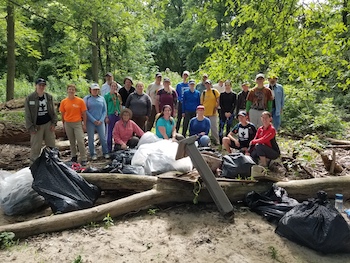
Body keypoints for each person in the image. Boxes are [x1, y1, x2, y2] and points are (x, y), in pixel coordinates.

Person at [25, 78, 57, 163]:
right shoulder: (30, 98)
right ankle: (34, 166)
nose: (41, 87)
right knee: (36, 148)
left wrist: (54, 123)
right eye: (40, 85)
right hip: (36, 126)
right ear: (35, 86)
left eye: (43, 85)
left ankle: (53, 164)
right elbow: (27, 114)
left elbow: (53, 111)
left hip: (48, 124)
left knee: (51, 146)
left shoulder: (49, 97)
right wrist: (31, 127)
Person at [59, 84, 87, 165]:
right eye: (69, 89)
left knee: (80, 140)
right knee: (71, 141)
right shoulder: (64, 102)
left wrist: (84, 124)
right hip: (68, 123)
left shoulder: (80, 101)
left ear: (75, 91)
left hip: (77, 123)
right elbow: (63, 114)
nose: (71, 91)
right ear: (67, 90)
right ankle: (74, 156)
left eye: (73, 89)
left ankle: (83, 158)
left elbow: (84, 113)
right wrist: (64, 124)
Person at [84, 83, 109, 160]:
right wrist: (93, 120)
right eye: (94, 90)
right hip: (90, 121)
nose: (95, 91)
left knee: (103, 138)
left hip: (100, 121)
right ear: (90, 90)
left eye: (97, 90)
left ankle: (105, 152)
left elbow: (104, 110)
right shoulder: (87, 98)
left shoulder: (102, 98)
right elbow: (85, 111)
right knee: (91, 138)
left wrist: (101, 119)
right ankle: (93, 154)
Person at [200, 79, 220, 145]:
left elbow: (218, 100)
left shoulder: (215, 91)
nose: (207, 85)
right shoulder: (204, 93)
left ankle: (216, 141)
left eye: (208, 84)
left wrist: (216, 107)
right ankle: (205, 141)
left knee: (214, 127)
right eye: (206, 84)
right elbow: (202, 103)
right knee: (205, 127)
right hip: (205, 113)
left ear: (211, 84)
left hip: (213, 112)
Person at [104, 81, 122, 153]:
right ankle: (109, 149)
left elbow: (120, 105)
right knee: (110, 132)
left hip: (118, 115)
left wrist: (121, 113)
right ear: (110, 87)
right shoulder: (107, 95)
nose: (114, 87)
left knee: (117, 132)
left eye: (115, 86)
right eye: (112, 86)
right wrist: (106, 117)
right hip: (110, 114)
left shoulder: (118, 95)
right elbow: (105, 107)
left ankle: (117, 147)